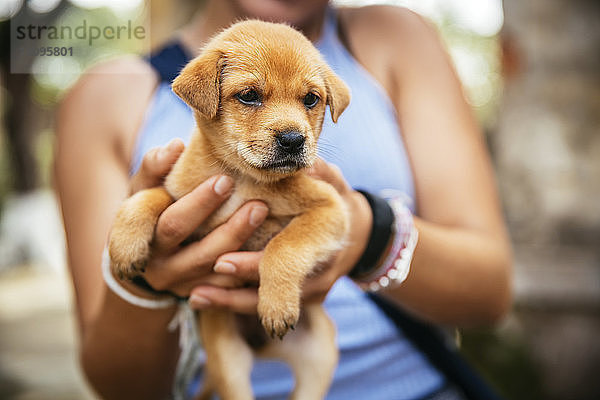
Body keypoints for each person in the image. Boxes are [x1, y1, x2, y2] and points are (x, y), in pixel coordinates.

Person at [55, 0, 512, 399]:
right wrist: (142, 284)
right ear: (205, 98)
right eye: (250, 96)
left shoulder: (398, 38)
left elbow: (491, 294)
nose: (292, 127)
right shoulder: (108, 97)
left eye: (310, 100)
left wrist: (368, 237)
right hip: (219, 342)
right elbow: (116, 386)